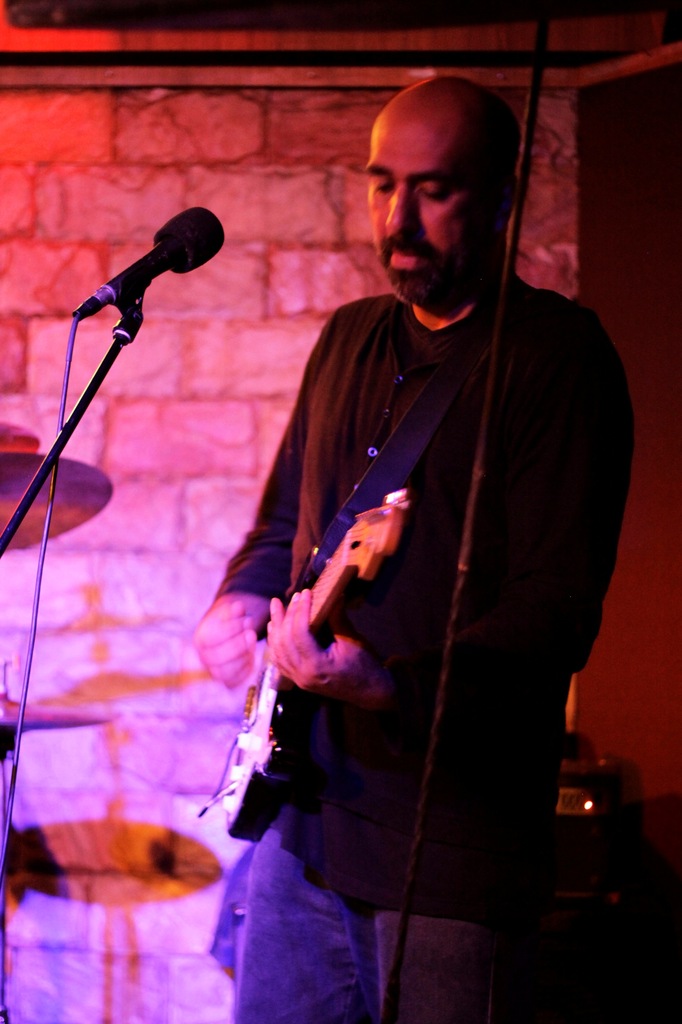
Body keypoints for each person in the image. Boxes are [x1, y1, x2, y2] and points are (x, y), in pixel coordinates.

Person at [194, 76, 633, 1024]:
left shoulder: (559, 360)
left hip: (452, 855)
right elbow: (285, 521)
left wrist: (384, 684)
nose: (399, 218)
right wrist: (241, 598)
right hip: (304, 825)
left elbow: (556, 611)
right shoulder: (347, 337)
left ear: (502, 198)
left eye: (433, 190)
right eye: (381, 183)